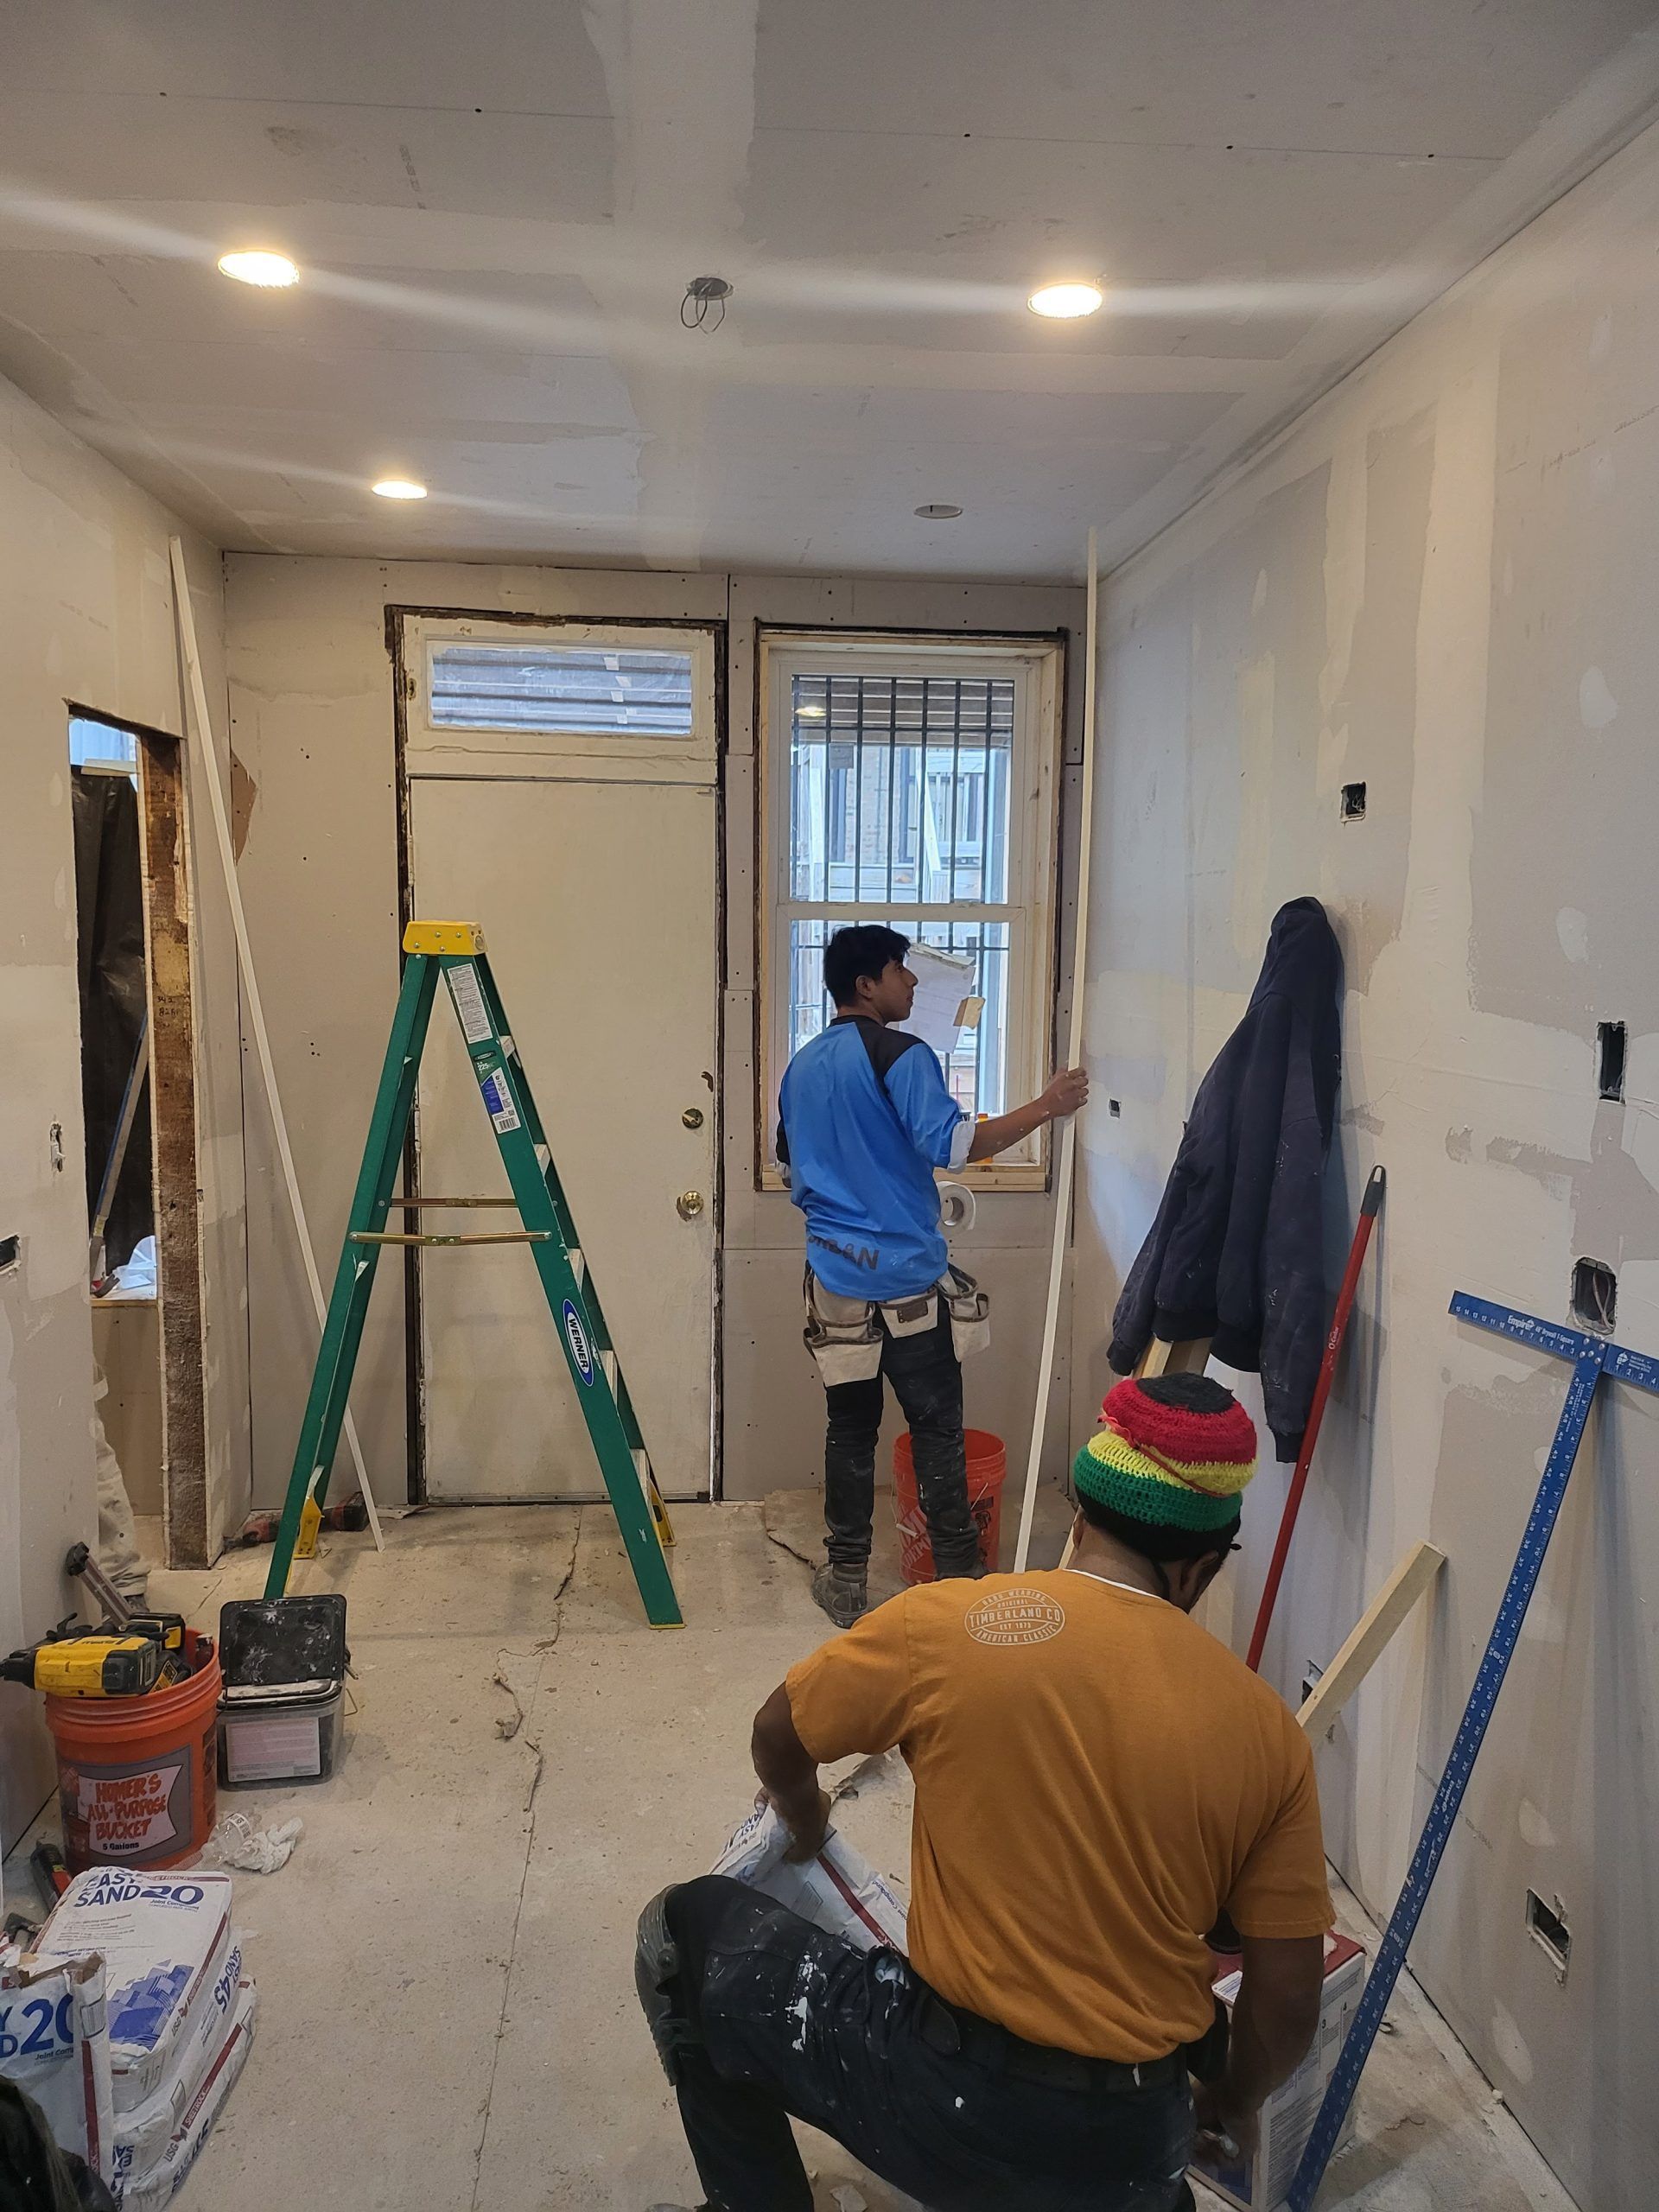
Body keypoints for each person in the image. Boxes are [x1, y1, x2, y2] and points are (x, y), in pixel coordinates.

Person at [636, 1372, 1333, 2212]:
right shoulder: (1269, 1733)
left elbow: (778, 1735)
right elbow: (1287, 1995)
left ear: (1079, 1518)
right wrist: (1230, 2099)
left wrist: (807, 1819)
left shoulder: (945, 1625)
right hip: (1134, 2137)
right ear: (1201, 1569)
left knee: (683, 1935)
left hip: (951, 2102)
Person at [778, 922, 1088, 1626]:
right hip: (908, 1285)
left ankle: (846, 1579)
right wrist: (1047, 1106)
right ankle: (957, 1579)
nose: (913, 982)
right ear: (868, 984)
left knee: (849, 1430)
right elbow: (956, 1144)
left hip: (836, 1283)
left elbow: (794, 1161)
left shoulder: (803, 1065)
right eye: (901, 969)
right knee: (937, 1431)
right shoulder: (903, 1055)